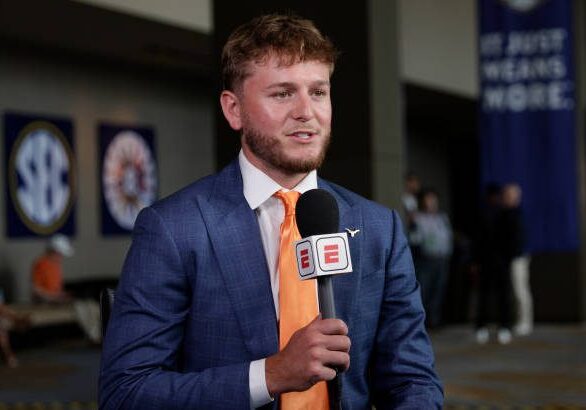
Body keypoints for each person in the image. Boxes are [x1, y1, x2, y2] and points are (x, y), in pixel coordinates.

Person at [99, 14, 443, 409]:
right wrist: (272, 374)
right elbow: (125, 394)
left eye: (318, 92)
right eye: (282, 94)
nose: (306, 112)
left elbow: (414, 380)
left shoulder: (379, 227)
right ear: (234, 110)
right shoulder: (175, 229)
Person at [31, 235, 101, 343]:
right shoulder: (40, 264)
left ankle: (98, 335)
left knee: (92, 306)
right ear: (53, 251)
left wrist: (62, 295)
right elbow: (36, 291)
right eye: (59, 254)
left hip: (57, 299)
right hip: (46, 301)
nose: (61, 257)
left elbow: (56, 288)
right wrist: (54, 297)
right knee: (81, 308)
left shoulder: (56, 265)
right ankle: (94, 338)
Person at [474, 184, 513, 345]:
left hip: (502, 262)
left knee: (503, 295)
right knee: (484, 295)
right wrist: (475, 261)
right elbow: (477, 240)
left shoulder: (507, 213)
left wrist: (508, 258)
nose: (495, 199)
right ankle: (481, 327)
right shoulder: (481, 214)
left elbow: (511, 239)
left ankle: (505, 327)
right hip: (485, 262)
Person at [410, 189, 453, 328]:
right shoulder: (417, 217)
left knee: (438, 290)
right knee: (424, 291)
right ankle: (422, 323)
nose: (431, 203)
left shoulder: (442, 217)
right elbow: (414, 239)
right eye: (428, 200)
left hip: (442, 259)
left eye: (433, 200)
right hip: (425, 259)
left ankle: (435, 321)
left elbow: (447, 236)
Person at [501, 183, 532, 336]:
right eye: (505, 195)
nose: (506, 198)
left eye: (510, 195)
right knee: (513, 291)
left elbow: (518, 239)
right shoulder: (504, 214)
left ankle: (525, 322)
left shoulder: (518, 214)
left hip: (518, 257)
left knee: (520, 291)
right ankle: (518, 320)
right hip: (509, 257)